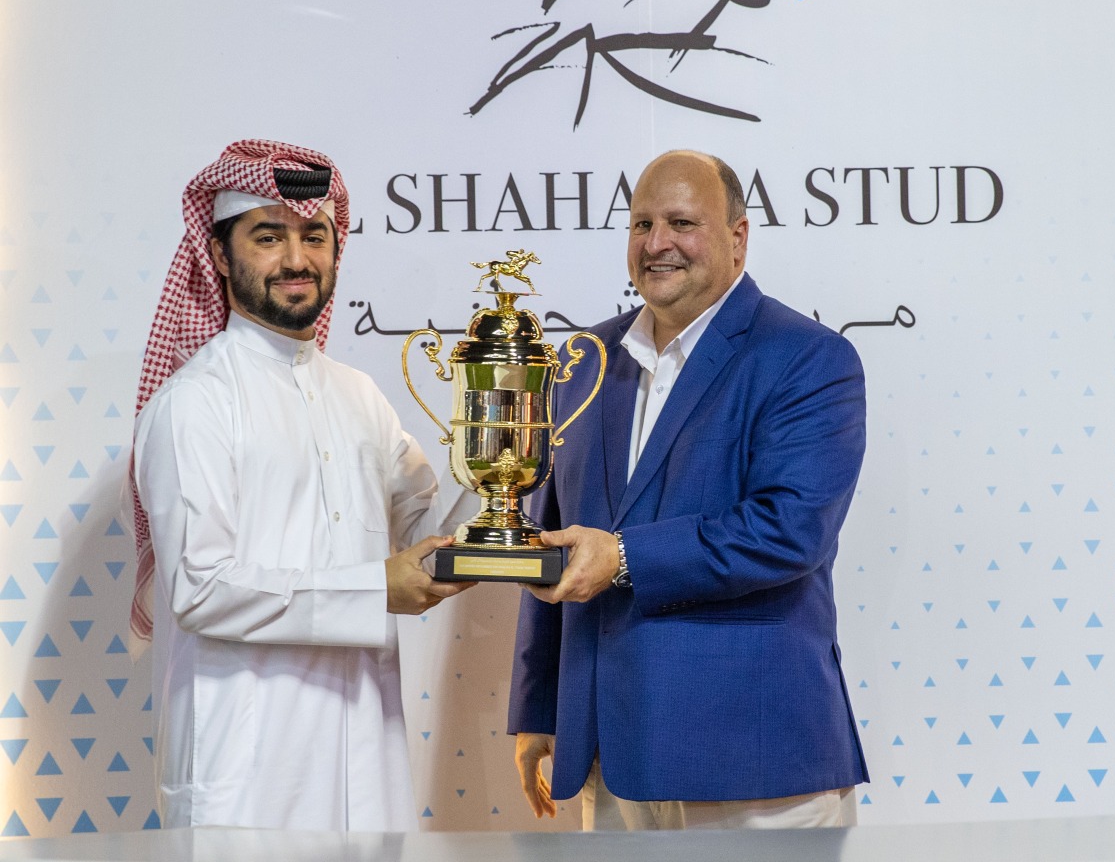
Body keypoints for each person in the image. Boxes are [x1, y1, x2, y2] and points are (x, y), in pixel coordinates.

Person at [508, 149, 868, 830]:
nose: (656, 244)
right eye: (641, 224)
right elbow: (548, 534)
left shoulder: (809, 358)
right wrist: (538, 706)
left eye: (681, 223)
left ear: (738, 237)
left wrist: (622, 557)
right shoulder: (580, 362)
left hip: (754, 763)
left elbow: (788, 531)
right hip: (607, 757)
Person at [131, 139, 476, 831]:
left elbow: (434, 540)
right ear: (219, 254)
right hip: (249, 764)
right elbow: (200, 588)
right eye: (269, 237)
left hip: (365, 753)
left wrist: (496, 453)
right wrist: (375, 589)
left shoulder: (359, 396)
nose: (297, 259)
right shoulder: (195, 401)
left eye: (314, 236)